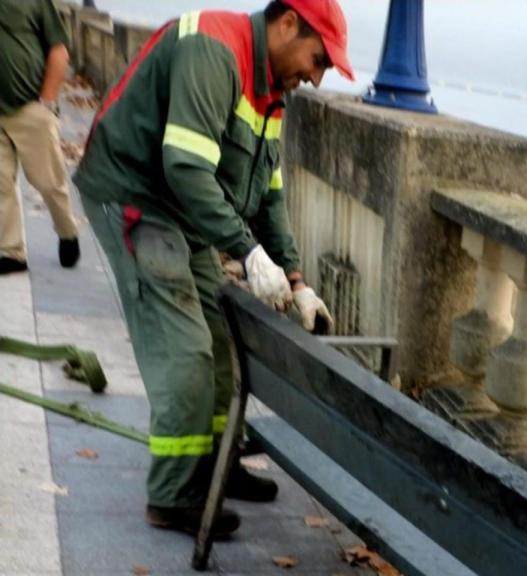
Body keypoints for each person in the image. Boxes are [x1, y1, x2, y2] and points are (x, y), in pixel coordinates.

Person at [73, 0, 354, 536]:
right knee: (186, 350)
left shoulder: (271, 93)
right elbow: (185, 166)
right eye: (318, 60)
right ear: (288, 24)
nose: (316, 78)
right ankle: (173, 495)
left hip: (186, 212)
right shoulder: (213, 50)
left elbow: (269, 196)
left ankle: (217, 463)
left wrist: (296, 280)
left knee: (223, 344)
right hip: (135, 196)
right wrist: (247, 252)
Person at [0, 0, 80, 275]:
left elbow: (59, 50)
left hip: (30, 106)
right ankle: (11, 252)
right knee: (1, 183)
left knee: (49, 182)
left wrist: (46, 102)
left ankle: (67, 232)